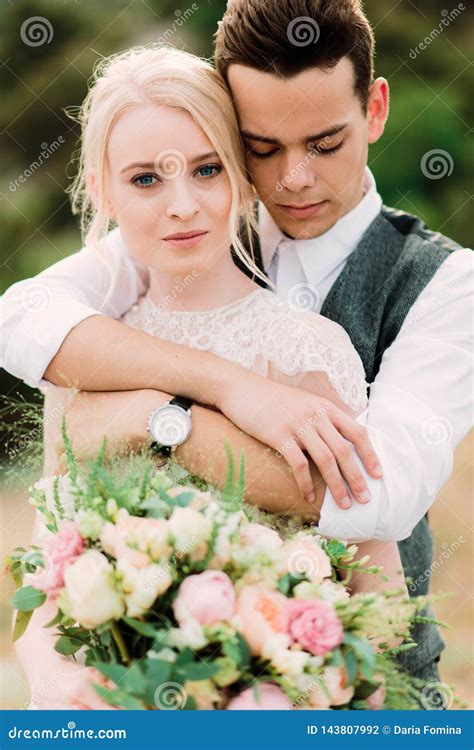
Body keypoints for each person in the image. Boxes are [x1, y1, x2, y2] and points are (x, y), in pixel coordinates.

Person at [2, 0, 472, 693]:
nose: (292, 180)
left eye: (324, 143)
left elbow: (380, 499)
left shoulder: (445, 283)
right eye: (260, 149)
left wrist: (159, 425)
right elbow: (24, 317)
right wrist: (229, 387)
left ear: (374, 110)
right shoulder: (137, 269)